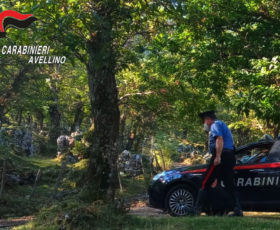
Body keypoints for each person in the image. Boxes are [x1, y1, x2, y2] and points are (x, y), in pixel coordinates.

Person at [193, 110, 243, 216]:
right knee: (229, 184)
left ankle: (196, 210)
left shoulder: (214, 125)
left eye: (204, 121)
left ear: (208, 119)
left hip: (221, 156)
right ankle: (238, 210)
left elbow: (219, 139)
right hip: (229, 156)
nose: (204, 123)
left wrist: (218, 156)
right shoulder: (222, 124)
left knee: (205, 181)